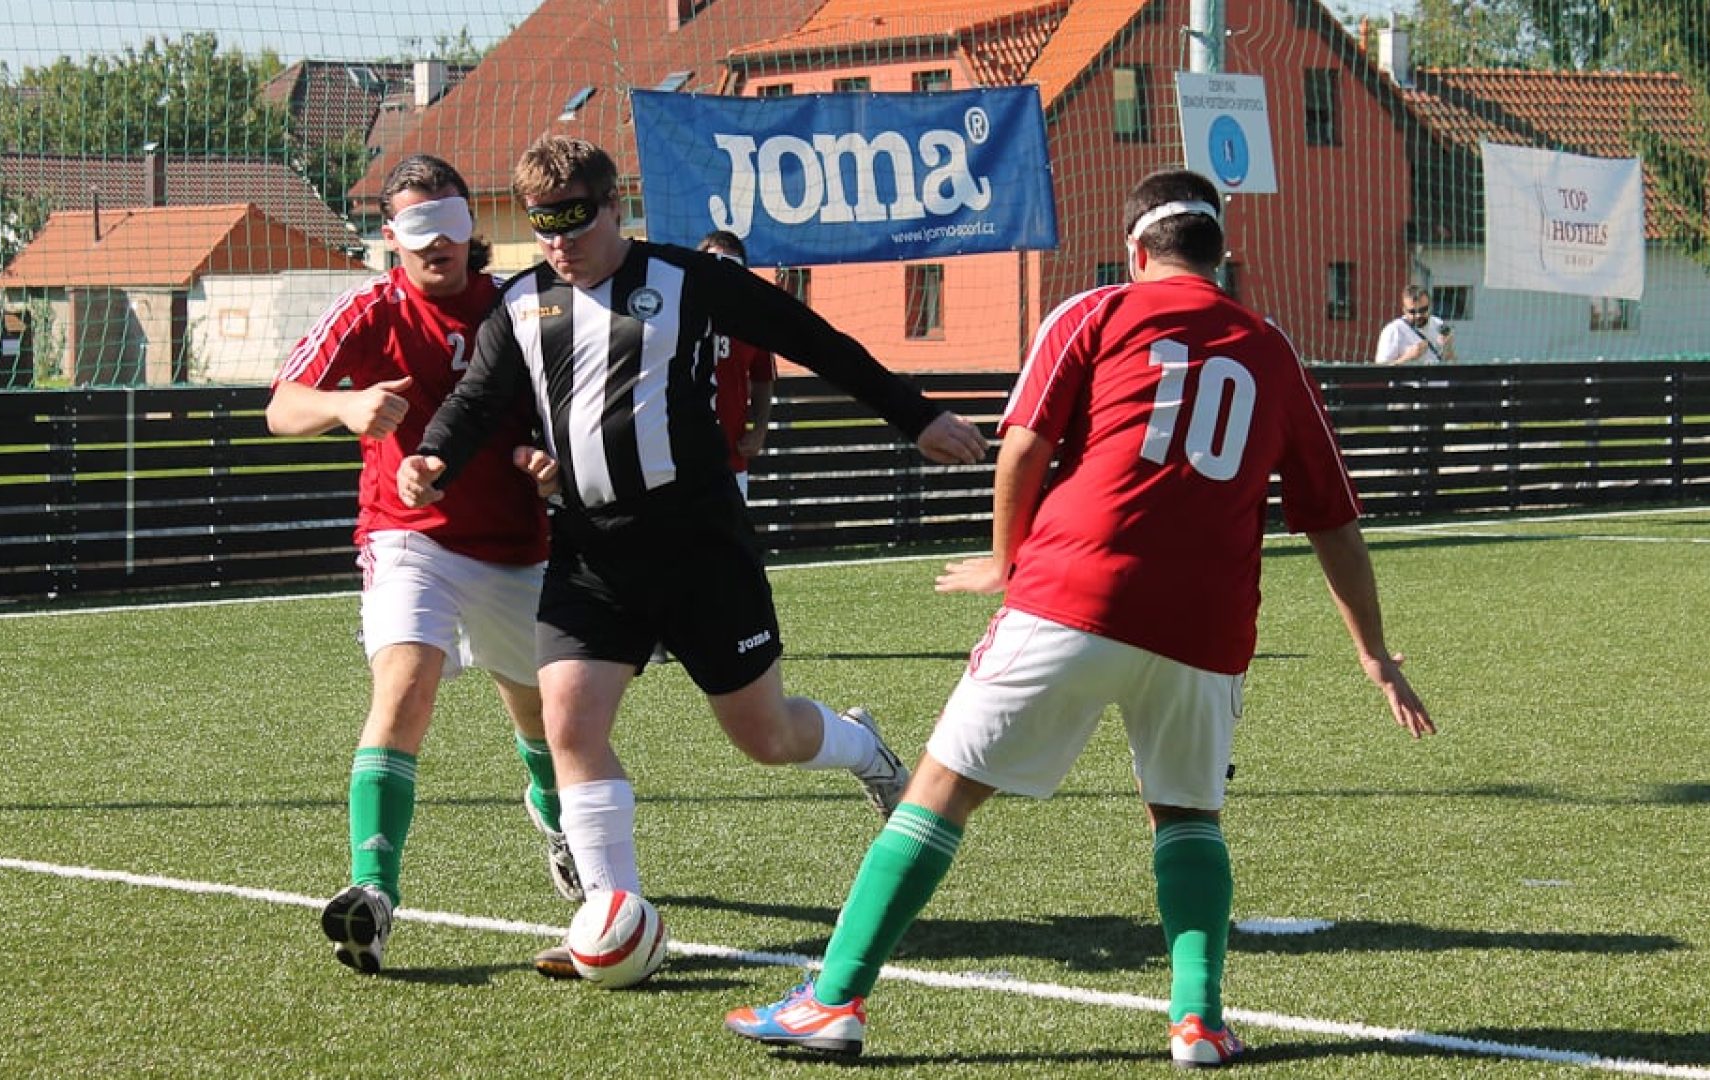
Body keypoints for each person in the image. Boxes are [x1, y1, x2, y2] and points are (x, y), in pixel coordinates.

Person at [724, 169, 1435, 1067]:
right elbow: (1333, 521)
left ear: (1135, 250)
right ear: (1221, 254)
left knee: (941, 791)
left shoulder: (1095, 312)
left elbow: (1024, 443)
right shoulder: (1272, 349)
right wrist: (1373, 652)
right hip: (1208, 627)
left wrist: (1004, 558)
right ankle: (1199, 1023)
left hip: (1077, 591)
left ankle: (833, 1002)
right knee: (1187, 813)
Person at [393, 135, 988, 977]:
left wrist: (915, 416)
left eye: (575, 223)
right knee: (569, 724)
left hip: (701, 547)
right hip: (591, 552)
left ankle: (863, 748)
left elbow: (810, 337)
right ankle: (614, 918)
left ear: (617, 209)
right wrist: (432, 459)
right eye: (543, 227)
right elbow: (476, 400)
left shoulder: (688, 279)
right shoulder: (521, 303)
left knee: (766, 736)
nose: (560, 244)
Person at [266, 154, 579, 976]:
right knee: (404, 691)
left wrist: (543, 461)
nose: (437, 242)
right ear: (389, 236)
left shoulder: (521, 304)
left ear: (473, 225)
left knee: (543, 722)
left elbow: (564, 410)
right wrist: (345, 406)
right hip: (408, 539)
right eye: (418, 227)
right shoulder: (368, 308)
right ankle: (371, 894)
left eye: (450, 222)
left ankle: (555, 819)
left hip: (514, 547)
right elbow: (281, 407)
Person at [697, 229, 777, 500]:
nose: (723, 274)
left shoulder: (752, 319)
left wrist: (760, 429)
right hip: (679, 462)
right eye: (715, 264)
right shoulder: (679, 313)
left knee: (733, 527)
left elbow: (763, 377)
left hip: (732, 458)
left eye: (732, 266)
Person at [1374, 284, 1456, 365]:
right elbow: (1381, 369)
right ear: (1404, 310)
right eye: (1413, 312)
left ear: (1430, 307)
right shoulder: (1394, 330)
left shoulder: (1438, 324)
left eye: (1423, 310)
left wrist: (1448, 347)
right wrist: (1407, 357)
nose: (1418, 315)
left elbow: (1451, 362)